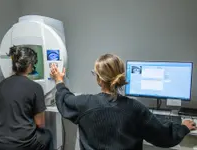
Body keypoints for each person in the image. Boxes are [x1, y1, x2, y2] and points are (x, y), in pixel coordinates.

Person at [50, 54, 196, 150]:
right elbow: (164, 137)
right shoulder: (135, 109)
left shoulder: (84, 103)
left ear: (99, 79)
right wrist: (183, 127)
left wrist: (59, 81)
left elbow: (65, 99)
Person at [0, 46, 53, 150]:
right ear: (30, 65)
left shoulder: (2, 84)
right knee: (47, 135)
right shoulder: (35, 87)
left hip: (0, 142)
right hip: (22, 144)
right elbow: (40, 123)